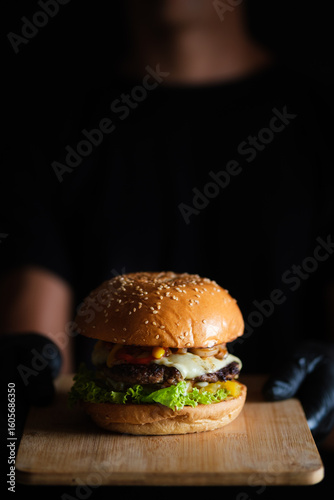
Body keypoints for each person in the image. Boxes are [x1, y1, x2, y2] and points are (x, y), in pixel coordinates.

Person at [1, 0, 334, 454]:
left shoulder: (322, 124)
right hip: (90, 457)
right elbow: (35, 331)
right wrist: (19, 375)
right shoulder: (47, 133)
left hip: (289, 461)